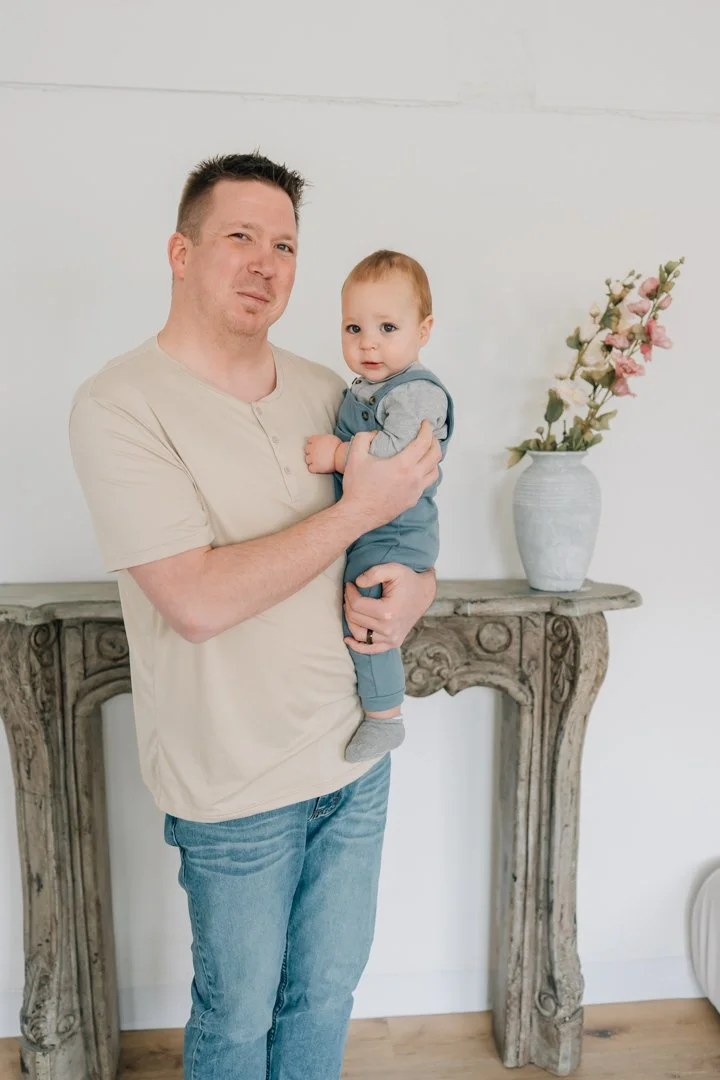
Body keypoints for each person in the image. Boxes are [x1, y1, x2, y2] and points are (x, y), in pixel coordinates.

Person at [68, 152, 441, 1080]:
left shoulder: (337, 389)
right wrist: (356, 507)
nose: (266, 262)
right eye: (240, 236)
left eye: (284, 243)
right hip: (232, 787)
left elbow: (408, 525)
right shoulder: (119, 404)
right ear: (180, 251)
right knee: (235, 1020)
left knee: (324, 999)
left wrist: (419, 590)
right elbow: (194, 601)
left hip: (353, 758)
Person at [305, 250, 453, 762]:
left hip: (396, 529)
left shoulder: (415, 392)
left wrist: (338, 455)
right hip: (380, 521)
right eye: (353, 327)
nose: (368, 342)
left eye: (387, 327)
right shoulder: (370, 386)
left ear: (424, 329)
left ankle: (384, 714)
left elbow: (396, 457)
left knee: (366, 610)